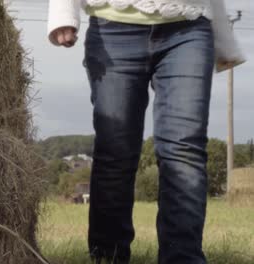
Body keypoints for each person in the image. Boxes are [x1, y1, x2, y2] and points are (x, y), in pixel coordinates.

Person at [47, 0, 245, 263]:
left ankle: (182, 256)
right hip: (112, 26)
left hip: (189, 26)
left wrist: (222, 35)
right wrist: (63, 11)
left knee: (184, 150)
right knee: (115, 150)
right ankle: (109, 256)